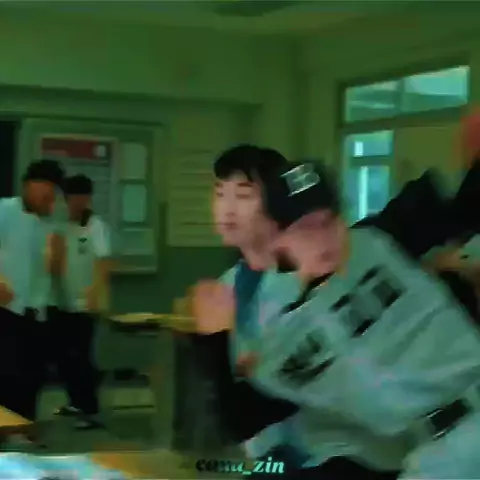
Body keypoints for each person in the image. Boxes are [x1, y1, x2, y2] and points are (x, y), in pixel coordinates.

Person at [193, 155, 480, 479]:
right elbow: (241, 420)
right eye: (305, 229)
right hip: (433, 451)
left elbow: (462, 203)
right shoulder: (289, 337)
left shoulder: (382, 240)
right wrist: (214, 340)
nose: (323, 238)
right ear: (278, 238)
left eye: (329, 221)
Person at [189, 144, 308, 471]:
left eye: (243, 195)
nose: (227, 209)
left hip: (320, 453)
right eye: (220, 194)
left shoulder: (306, 279)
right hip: (262, 453)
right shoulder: (230, 282)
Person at [0, 159, 64, 426]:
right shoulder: (4, 210)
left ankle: (24, 430)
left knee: (32, 376)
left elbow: (53, 270)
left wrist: (58, 253)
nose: (45, 199)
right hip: (6, 309)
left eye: (50, 194)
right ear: (27, 186)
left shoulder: (50, 224)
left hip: (36, 312)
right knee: (6, 375)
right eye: (41, 192)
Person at [49, 174, 111, 430]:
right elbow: (53, 265)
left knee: (81, 356)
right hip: (60, 301)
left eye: (83, 197)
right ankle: (75, 401)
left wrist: (97, 292)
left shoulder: (96, 226)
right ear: (66, 199)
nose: (79, 202)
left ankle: (91, 410)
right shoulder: (61, 225)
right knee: (62, 357)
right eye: (74, 197)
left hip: (85, 304)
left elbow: (104, 262)